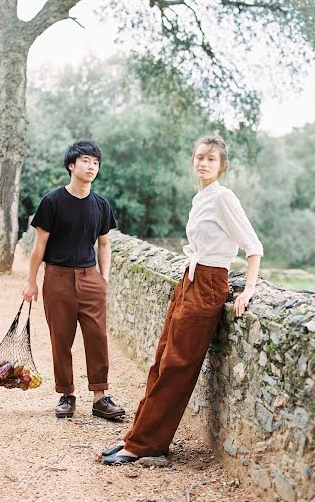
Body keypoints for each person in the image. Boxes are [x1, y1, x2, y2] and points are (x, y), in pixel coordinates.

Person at [101, 134, 263, 464]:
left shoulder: (223, 198)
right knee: (161, 359)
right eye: (199, 157)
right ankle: (137, 435)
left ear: (222, 165)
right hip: (189, 280)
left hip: (208, 285)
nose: (204, 163)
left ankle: (148, 446)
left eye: (211, 159)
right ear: (193, 160)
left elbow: (254, 247)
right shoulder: (200, 197)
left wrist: (248, 290)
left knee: (177, 365)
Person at [22, 139, 125, 421]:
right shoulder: (52, 202)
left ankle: (100, 397)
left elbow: (104, 245)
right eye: (86, 161)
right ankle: (66, 394)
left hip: (90, 278)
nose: (91, 167)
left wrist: (103, 279)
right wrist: (31, 281)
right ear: (72, 165)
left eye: (95, 163)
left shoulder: (101, 205)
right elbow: (39, 245)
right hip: (57, 278)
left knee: (97, 337)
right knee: (61, 339)